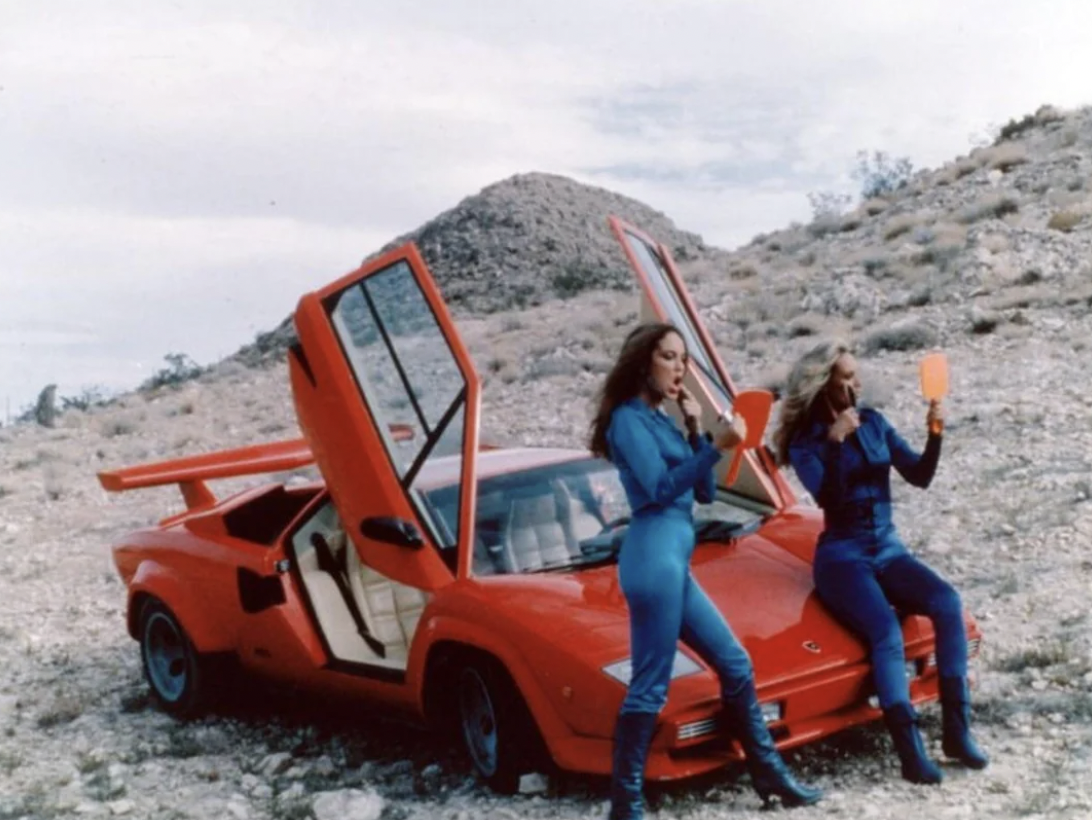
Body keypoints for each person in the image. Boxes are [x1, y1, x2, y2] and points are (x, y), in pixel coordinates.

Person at [589, 323, 822, 820]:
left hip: (674, 560)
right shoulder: (628, 421)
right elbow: (656, 490)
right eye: (670, 357)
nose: (680, 369)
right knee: (651, 682)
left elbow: (703, 494)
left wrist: (698, 434)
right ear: (643, 362)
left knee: (735, 663)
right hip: (652, 558)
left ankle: (768, 774)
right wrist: (714, 446)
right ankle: (625, 802)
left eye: (684, 359)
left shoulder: (662, 419)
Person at [772, 339, 988, 785]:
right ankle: (910, 753)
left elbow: (919, 476)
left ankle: (957, 733)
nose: (856, 383)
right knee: (885, 632)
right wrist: (834, 443)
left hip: (887, 548)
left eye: (856, 374)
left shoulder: (874, 423)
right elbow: (826, 496)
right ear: (823, 385)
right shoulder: (805, 443)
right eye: (846, 377)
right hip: (842, 557)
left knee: (947, 602)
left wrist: (934, 434)